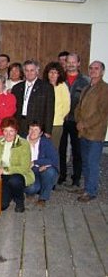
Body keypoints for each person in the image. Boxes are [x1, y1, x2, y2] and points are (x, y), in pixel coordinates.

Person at [74, 61, 108, 202]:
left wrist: (84, 124)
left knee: (92, 162)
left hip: (95, 132)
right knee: (86, 162)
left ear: (102, 72)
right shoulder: (87, 87)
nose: (93, 70)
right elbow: (79, 107)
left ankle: (91, 191)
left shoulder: (105, 89)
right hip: (83, 131)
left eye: (96, 68)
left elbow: (102, 113)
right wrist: (78, 120)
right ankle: (88, 186)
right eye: (91, 68)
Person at [0, 117, 34, 213]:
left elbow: (24, 167)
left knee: (15, 180)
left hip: (18, 174)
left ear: (16, 131)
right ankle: (10, 194)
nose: (8, 134)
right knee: (2, 206)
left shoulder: (24, 144)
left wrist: (3, 170)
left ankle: (19, 201)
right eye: (5, 131)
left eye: (11, 131)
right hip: (2, 177)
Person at [58, 53, 90, 187]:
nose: (70, 64)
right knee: (61, 149)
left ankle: (76, 178)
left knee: (77, 151)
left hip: (76, 121)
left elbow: (87, 103)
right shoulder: (60, 79)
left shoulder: (85, 81)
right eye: (68, 62)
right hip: (61, 119)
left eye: (73, 62)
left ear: (78, 63)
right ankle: (62, 175)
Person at [11, 60, 55, 137]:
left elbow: (49, 110)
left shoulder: (46, 87)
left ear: (37, 71)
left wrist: (48, 131)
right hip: (20, 124)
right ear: (23, 72)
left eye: (32, 70)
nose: (29, 73)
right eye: (27, 70)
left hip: (37, 126)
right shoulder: (17, 88)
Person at [24, 122, 59, 207]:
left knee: (50, 171)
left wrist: (36, 162)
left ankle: (43, 198)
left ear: (41, 133)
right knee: (32, 189)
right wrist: (37, 168)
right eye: (31, 129)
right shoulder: (22, 142)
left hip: (43, 170)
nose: (33, 132)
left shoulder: (45, 142)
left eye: (36, 130)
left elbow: (54, 159)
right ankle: (34, 189)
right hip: (28, 172)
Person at [42, 62, 70, 149]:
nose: (52, 75)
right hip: (42, 123)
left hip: (56, 124)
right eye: (50, 72)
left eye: (55, 72)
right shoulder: (43, 86)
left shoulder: (62, 86)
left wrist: (59, 117)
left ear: (59, 74)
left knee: (53, 148)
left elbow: (66, 106)